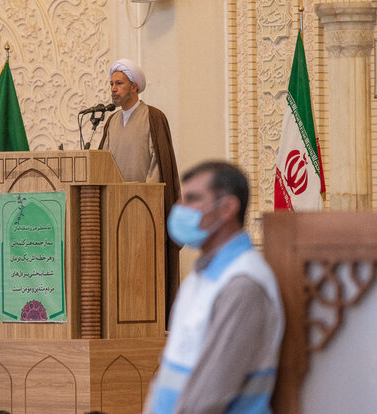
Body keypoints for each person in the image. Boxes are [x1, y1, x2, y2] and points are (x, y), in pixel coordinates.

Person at [144, 161, 285, 414]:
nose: (179, 210)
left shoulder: (243, 283)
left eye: (192, 199)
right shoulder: (200, 277)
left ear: (227, 208)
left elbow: (210, 393)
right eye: (181, 200)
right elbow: (170, 370)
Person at [98, 58, 181, 324]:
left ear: (134, 87)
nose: (113, 89)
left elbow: (159, 164)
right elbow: (102, 164)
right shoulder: (110, 121)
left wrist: (141, 200)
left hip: (145, 213)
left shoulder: (153, 117)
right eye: (111, 84)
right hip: (114, 211)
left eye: (119, 84)